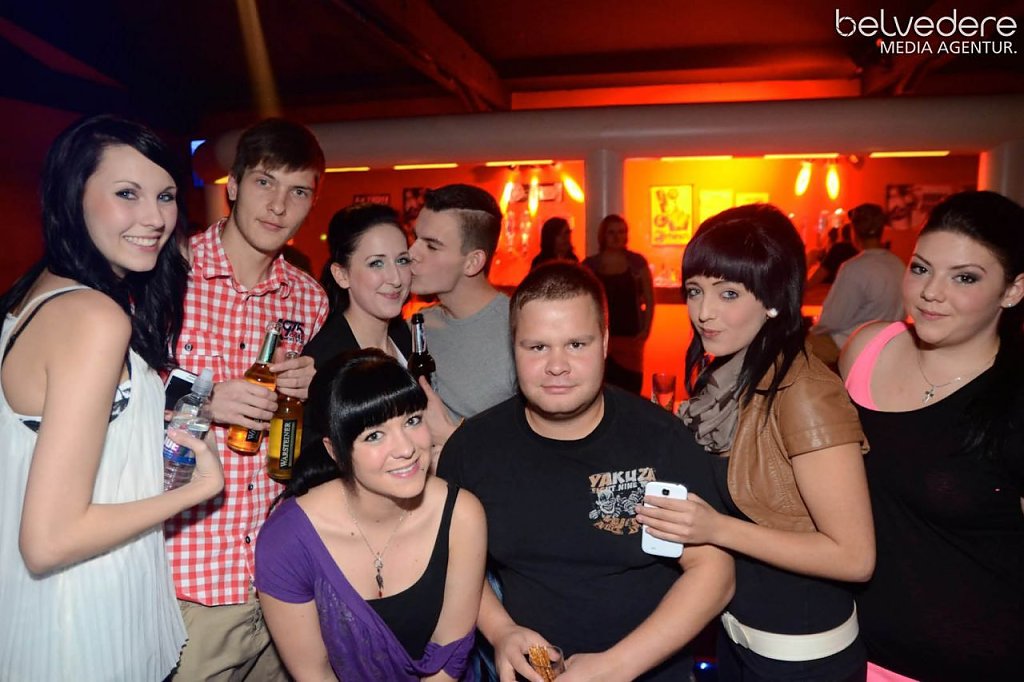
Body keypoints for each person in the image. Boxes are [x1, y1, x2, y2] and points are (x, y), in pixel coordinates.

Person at [0, 115, 224, 681]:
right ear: (72, 196)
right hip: (81, 621)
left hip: (49, 616)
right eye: (127, 194)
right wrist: (198, 490)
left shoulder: (35, 296)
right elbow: (50, 541)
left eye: (166, 196)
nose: (155, 217)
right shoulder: (94, 317)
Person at [438, 262, 734, 682]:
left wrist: (615, 667)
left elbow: (714, 572)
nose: (557, 365)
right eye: (537, 347)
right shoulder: (473, 449)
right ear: (513, 347)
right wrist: (501, 630)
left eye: (576, 344)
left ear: (605, 342)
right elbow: (452, 562)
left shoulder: (660, 439)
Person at [639, 204, 874, 682]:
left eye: (728, 293)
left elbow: (854, 557)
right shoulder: (726, 378)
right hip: (736, 638)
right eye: (695, 291)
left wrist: (716, 528)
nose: (704, 312)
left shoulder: (804, 392)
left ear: (773, 298)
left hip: (802, 659)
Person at [165, 118, 330, 679]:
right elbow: (113, 395)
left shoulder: (308, 299)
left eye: (298, 191)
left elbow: (299, 435)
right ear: (232, 185)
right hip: (186, 580)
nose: (279, 205)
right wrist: (207, 400)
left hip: (278, 579)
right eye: (265, 182)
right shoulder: (168, 274)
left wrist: (307, 391)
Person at [840, 191, 1024, 682]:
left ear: (1013, 290)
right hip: (845, 650)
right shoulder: (867, 349)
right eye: (921, 269)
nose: (930, 293)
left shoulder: (1014, 400)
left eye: (964, 277)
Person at [255, 349, 486, 680]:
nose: (406, 449)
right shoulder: (287, 541)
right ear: (335, 451)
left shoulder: (462, 515)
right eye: (374, 435)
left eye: (412, 420)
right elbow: (314, 673)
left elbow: (449, 656)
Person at [408, 183, 516, 422]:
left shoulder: (518, 329)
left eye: (431, 246)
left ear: (473, 262)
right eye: (415, 239)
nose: (412, 253)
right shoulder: (416, 328)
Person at [810, 203, 905, 367]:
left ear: (854, 231)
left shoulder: (854, 267)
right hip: (887, 346)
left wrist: (813, 329)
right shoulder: (899, 265)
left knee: (798, 350)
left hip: (850, 346)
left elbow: (832, 319)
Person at [582, 214, 655, 394]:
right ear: (603, 235)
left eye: (621, 232)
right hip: (599, 339)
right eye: (611, 232)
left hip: (630, 339)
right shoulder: (590, 265)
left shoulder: (637, 263)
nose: (617, 237)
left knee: (631, 391)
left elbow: (649, 298)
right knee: (599, 392)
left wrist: (646, 330)